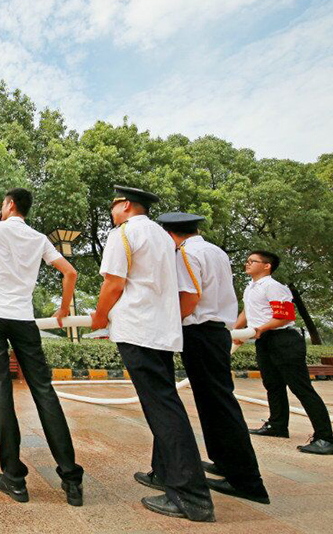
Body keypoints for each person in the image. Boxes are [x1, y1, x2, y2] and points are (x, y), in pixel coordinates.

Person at [0, 188, 85, 506]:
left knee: (1, 393)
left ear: (10, 205)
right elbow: (70, 272)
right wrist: (64, 309)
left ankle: (14, 479)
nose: (0, 209)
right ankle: (71, 479)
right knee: (44, 392)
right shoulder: (39, 239)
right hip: (24, 321)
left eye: (2, 204)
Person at [90, 186, 215, 522]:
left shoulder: (125, 233)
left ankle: (191, 497)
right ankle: (164, 474)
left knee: (163, 409)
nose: (112, 210)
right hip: (163, 332)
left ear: (126, 205)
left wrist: (99, 318)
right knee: (166, 403)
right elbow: (182, 290)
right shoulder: (165, 238)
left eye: (113, 204)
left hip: (138, 329)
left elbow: (114, 283)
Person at [156, 212, 269, 505]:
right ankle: (226, 463)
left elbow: (190, 298)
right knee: (214, 401)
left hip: (200, 331)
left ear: (170, 235)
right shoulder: (215, 251)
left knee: (218, 403)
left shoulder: (185, 253)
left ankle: (247, 480)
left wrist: (164, 322)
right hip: (217, 330)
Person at [235, 250, 333, 455]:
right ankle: (277, 425)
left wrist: (261, 329)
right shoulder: (250, 288)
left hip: (283, 340)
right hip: (263, 341)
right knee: (272, 385)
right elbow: (247, 312)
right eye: (247, 261)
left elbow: (284, 317)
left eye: (252, 261)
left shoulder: (274, 287)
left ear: (267, 266)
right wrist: (235, 332)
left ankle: (326, 438)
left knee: (301, 388)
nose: (247, 264)